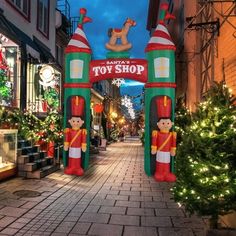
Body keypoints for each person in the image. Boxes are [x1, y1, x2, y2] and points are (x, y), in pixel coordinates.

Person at [64, 96, 87, 176]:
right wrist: (66, 144)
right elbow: (67, 137)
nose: (76, 123)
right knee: (71, 158)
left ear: (82, 122)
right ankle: (71, 167)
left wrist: (84, 145)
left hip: (78, 148)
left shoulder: (82, 131)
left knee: (77, 158)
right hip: (71, 147)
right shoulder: (68, 130)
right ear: (70, 121)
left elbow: (83, 139)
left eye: (78, 121)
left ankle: (77, 167)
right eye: (73, 121)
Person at [151, 117, 176, 182]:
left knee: (167, 162)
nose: (165, 125)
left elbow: (173, 143)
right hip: (160, 151)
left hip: (167, 152)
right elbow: (154, 141)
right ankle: (159, 172)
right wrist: (154, 148)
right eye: (163, 123)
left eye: (168, 123)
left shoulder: (171, 134)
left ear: (171, 124)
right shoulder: (156, 133)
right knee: (160, 162)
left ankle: (166, 173)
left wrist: (173, 150)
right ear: (158, 124)